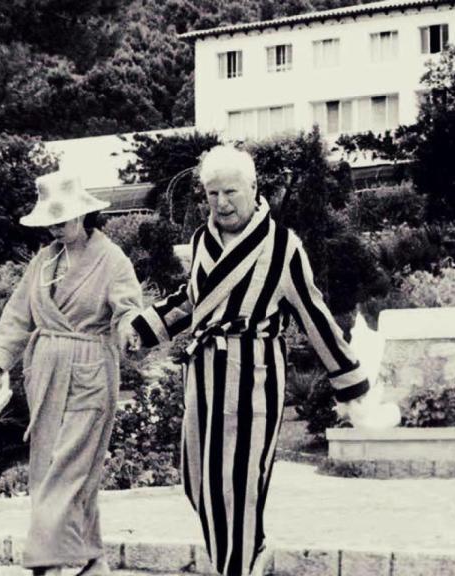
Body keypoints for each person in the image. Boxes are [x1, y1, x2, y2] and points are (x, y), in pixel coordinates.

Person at [127, 145, 378, 576]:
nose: (222, 203)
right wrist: (144, 326)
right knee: (197, 479)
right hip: (203, 375)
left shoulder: (282, 247)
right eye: (212, 194)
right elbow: (195, 299)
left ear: (254, 189)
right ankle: (253, 549)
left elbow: (314, 315)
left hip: (254, 375)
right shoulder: (203, 239)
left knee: (237, 486)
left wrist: (350, 382)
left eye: (231, 192)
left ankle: (237, 567)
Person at [0, 170, 143, 576]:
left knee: (67, 469)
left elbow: (127, 310)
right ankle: (91, 560)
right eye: (51, 221)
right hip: (46, 374)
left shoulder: (111, 258)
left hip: (90, 371)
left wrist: (133, 332)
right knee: (50, 466)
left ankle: (45, 562)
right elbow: (18, 316)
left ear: (84, 215)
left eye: (65, 219)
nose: (58, 227)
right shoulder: (43, 260)